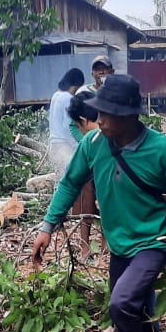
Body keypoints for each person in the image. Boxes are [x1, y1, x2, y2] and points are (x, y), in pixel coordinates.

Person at [31, 74, 166, 332]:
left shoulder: (162, 150)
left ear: (129, 116)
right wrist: (47, 227)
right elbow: (70, 184)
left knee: (122, 303)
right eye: (98, 113)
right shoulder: (92, 145)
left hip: (154, 240)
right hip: (120, 244)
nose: (99, 120)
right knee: (136, 307)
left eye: (107, 114)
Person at [67, 91, 101, 258]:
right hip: (88, 163)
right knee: (85, 199)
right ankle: (85, 245)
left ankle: (106, 244)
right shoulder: (85, 142)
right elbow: (69, 182)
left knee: (105, 201)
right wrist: (83, 141)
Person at [47, 68, 85, 179]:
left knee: (60, 178)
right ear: (77, 86)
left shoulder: (56, 95)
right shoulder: (69, 99)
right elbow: (68, 127)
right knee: (69, 179)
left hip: (53, 144)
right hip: (64, 146)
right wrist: (78, 145)